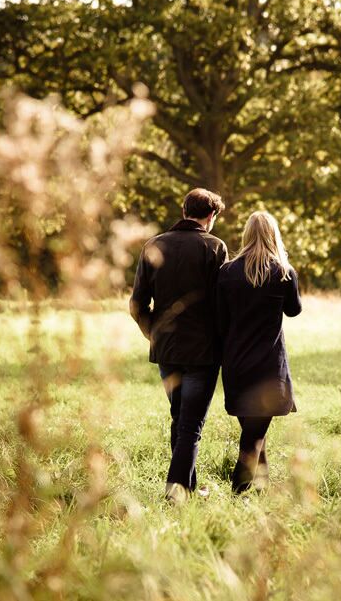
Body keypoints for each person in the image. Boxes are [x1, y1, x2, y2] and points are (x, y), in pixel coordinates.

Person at [129, 188, 228, 503]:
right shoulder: (214, 248)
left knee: (180, 418)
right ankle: (176, 491)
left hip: (167, 350)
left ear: (185, 210)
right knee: (191, 425)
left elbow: (136, 304)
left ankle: (190, 488)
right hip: (203, 351)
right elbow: (223, 303)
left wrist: (153, 333)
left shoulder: (154, 246)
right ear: (210, 216)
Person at [216, 211, 302, 493]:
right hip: (268, 366)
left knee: (254, 431)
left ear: (246, 234)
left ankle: (263, 490)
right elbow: (294, 310)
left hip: (236, 363)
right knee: (253, 436)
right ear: (273, 234)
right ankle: (237, 493)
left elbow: (221, 315)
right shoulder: (283, 272)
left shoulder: (227, 272)